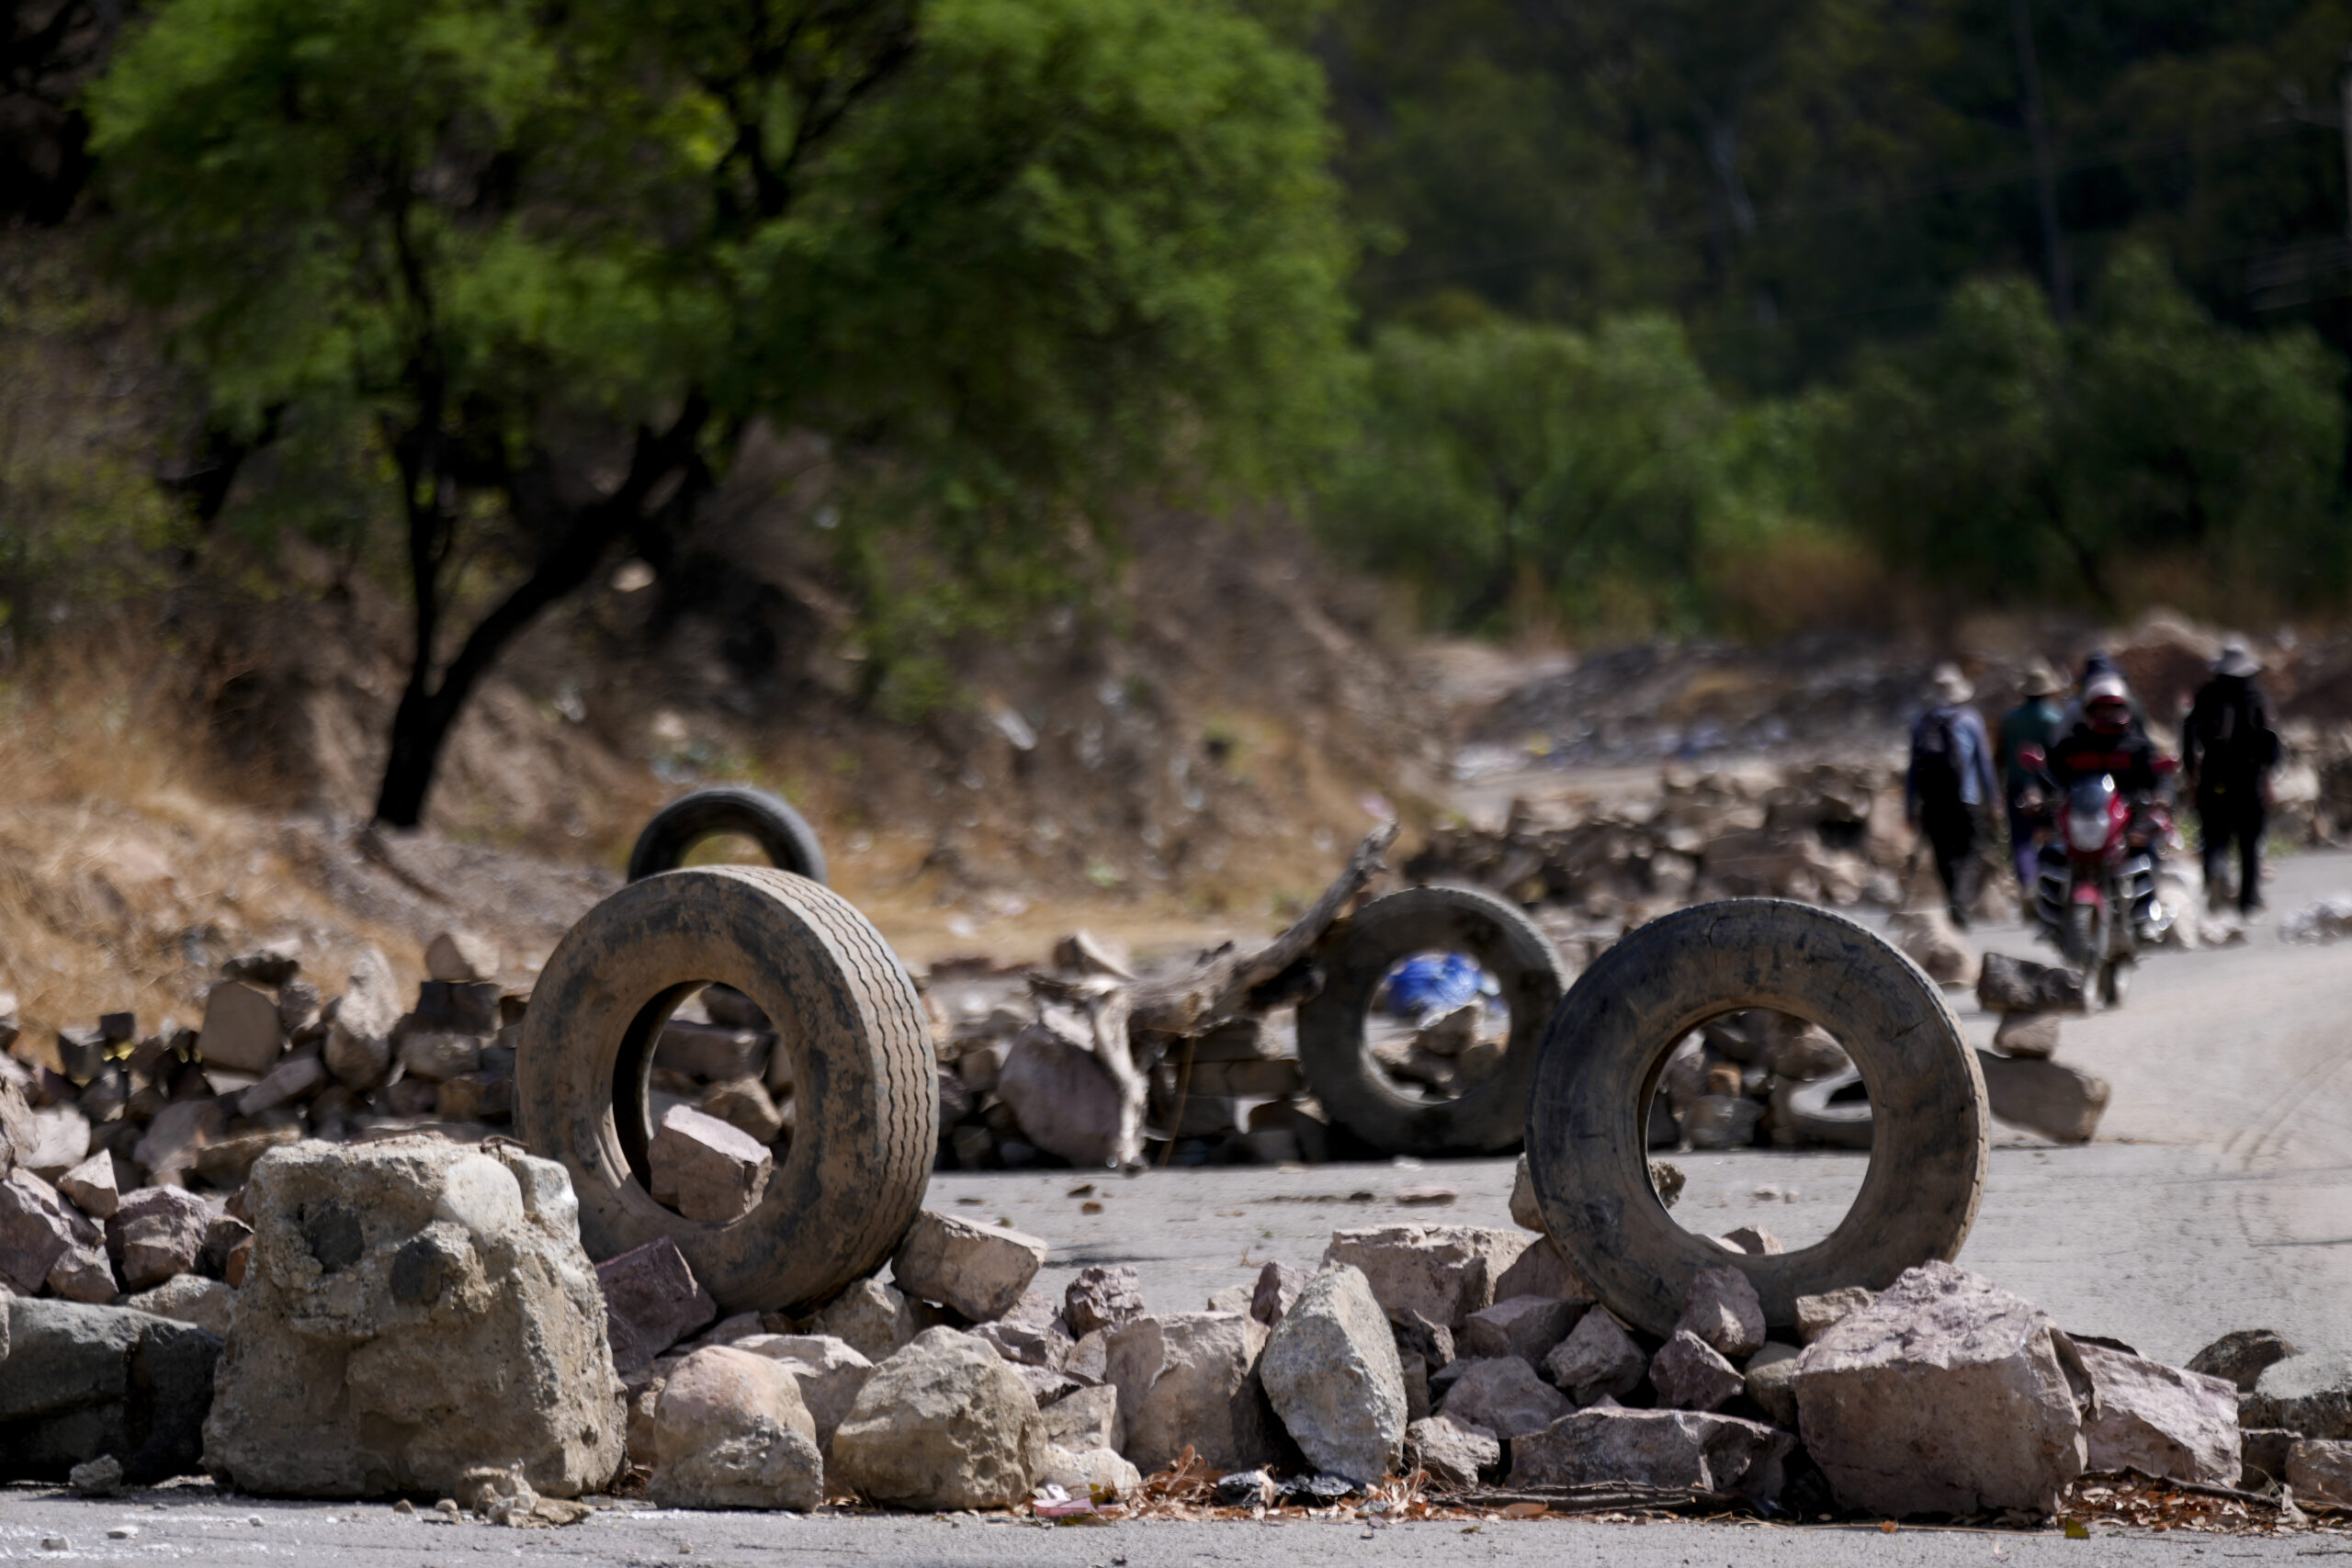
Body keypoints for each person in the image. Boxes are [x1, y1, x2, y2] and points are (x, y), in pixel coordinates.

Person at [2181, 639, 2279, 916]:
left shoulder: (2207, 694)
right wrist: (2269, 778)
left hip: (2214, 776)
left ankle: (2216, 870)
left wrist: (2191, 774)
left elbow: (2188, 736)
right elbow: (2269, 740)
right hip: (2249, 778)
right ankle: (2248, 899)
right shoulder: (2256, 695)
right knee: (2249, 841)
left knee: (2214, 834)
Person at [1906, 663, 1999, 927]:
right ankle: (1960, 897)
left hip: (1932, 800)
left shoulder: (1922, 721)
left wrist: (1910, 807)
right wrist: (1993, 801)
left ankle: (1953, 898)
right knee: (1971, 849)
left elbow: (1912, 768)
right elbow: (1983, 763)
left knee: (1943, 853)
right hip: (1966, 797)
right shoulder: (1970, 719)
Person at [1996, 660, 2067, 889]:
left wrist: (1997, 787)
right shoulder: (2056, 718)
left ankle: (2027, 883)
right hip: (2048, 787)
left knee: (2021, 839)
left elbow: (2000, 756)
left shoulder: (2009, 720)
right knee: (2050, 834)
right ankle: (2049, 883)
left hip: (2016, 785)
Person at [2048, 672, 2167, 797]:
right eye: (2102, 709)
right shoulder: (2071, 747)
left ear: (2124, 709)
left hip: (2130, 814)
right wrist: (2035, 793)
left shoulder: (2139, 747)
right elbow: (2052, 776)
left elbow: (2158, 778)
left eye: (2113, 709)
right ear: (2089, 711)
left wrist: (2163, 795)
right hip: (2079, 814)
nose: (2108, 715)